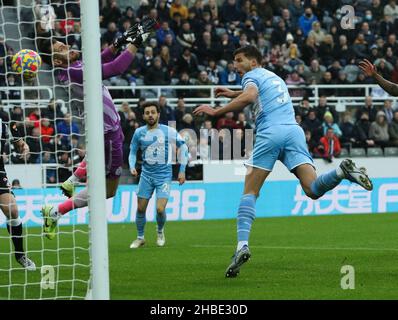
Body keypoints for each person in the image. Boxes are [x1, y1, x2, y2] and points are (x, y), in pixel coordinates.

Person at [193, 46, 373, 278]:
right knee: (313, 189)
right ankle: (340, 171)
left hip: (270, 133)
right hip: (294, 132)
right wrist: (230, 94)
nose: (235, 65)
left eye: (239, 60)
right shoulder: (273, 76)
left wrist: (217, 111)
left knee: (250, 192)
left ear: (254, 61)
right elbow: (257, 94)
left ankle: (242, 246)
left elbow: (250, 96)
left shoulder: (251, 76)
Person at [37, 17, 157, 240]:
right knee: (109, 191)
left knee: (104, 183)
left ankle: (70, 184)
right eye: (62, 48)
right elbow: (115, 68)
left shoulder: (74, 66)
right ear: (56, 61)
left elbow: (101, 58)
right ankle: (56, 209)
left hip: (108, 130)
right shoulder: (72, 73)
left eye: (64, 44)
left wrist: (119, 42)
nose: (68, 46)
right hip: (107, 133)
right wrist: (136, 43)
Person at [128, 102, 188, 248]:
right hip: (146, 176)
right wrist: (131, 166)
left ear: (158, 114)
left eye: (153, 112)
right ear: (143, 116)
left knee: (160, 209)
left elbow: (184, 146)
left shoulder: (169, 131)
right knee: (141, 209)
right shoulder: (139, 133)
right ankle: (140, 237)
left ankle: (160, 231)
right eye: (147, 112)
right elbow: (132, 151)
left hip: (164, 177)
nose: (150, 115)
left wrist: (182, 170)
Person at [0, 117, 35, 270]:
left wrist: (23, 146)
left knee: (12, 210)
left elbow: (17, 139)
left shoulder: (3, 119)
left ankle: (20, 255)